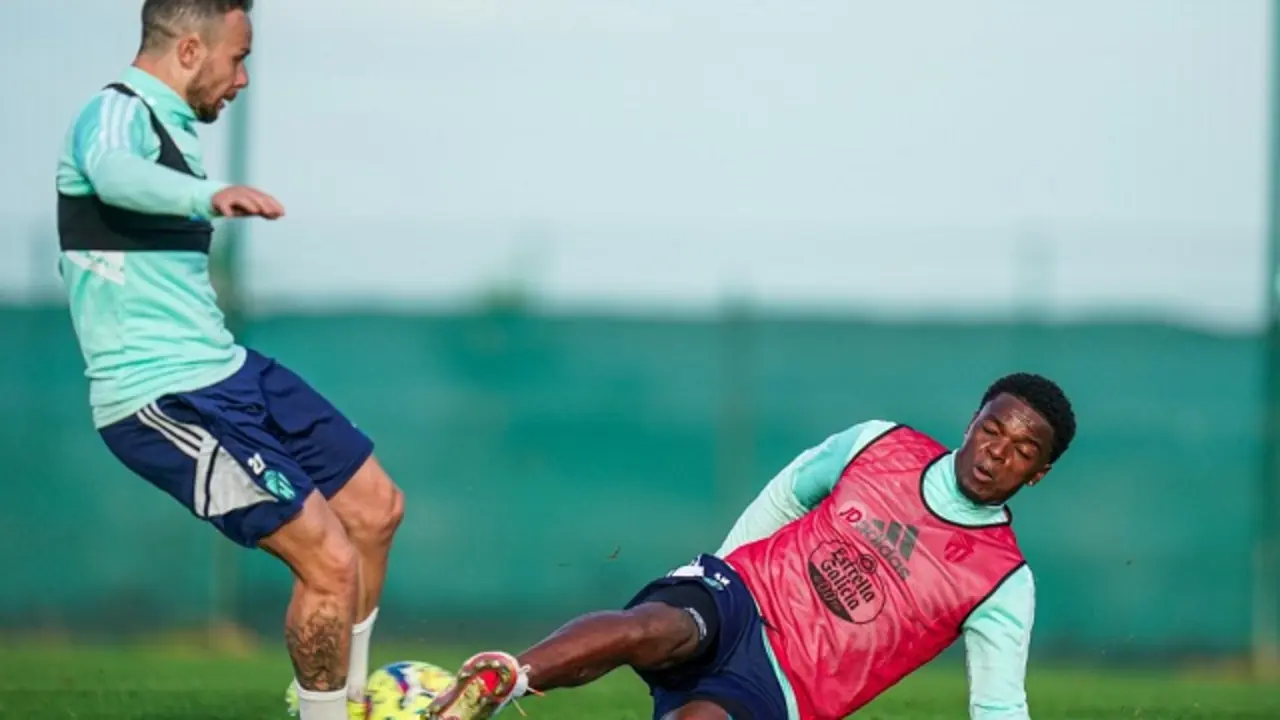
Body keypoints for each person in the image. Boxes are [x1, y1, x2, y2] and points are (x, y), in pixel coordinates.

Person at [54, 2, 404, 718]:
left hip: (227, 369)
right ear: (188, 50)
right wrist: (208, 195)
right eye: (236, 58)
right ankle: (326, 713)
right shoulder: (115, 113)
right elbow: (115, 175)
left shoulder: (178, 127)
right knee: (328, 562)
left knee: (375, 509)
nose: (241, 79)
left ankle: (360, 700)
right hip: (160, 396)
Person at [423, 372, 1076, 720]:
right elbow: (795, 487)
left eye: (1023, 452)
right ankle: (504, 679)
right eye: (993, 432)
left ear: (1039, 474)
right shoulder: (882, 445)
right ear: (973, 422)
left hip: (788, 685)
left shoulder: (1002, 579)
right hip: (742, 596)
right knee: (650, 628)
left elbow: (997, 704)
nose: (998, 455)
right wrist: (730, 568)